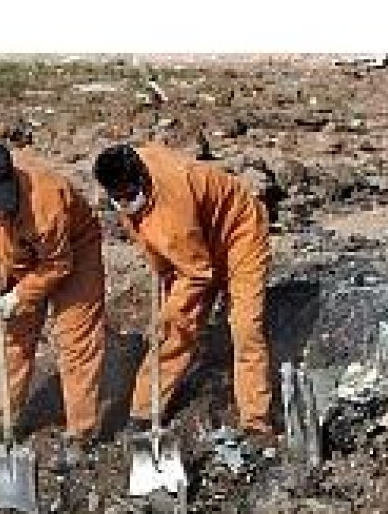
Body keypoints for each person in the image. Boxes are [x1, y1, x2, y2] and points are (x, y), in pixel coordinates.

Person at [93, 142, 274, 437]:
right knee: (174, 331)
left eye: (130, 196)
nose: (125, 204)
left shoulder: (173, 204)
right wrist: (165, 280)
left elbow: (198, 273)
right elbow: (156, 245)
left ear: (143, 180)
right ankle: (145, 410)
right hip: (194, 244)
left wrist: (171, 312)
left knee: (245, 328)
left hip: (237, 235)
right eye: (118, 198)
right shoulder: (128, 172)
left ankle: (255, 421)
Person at [0, 142, 107, 451]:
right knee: (13, 335)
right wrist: (8, 277)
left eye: (4, 204)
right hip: (19, 254)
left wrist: (21, 294)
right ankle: (0, 423)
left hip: (72, 250)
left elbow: (59, 264)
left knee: (75, 339)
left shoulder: (46, 204)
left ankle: (80, 432)